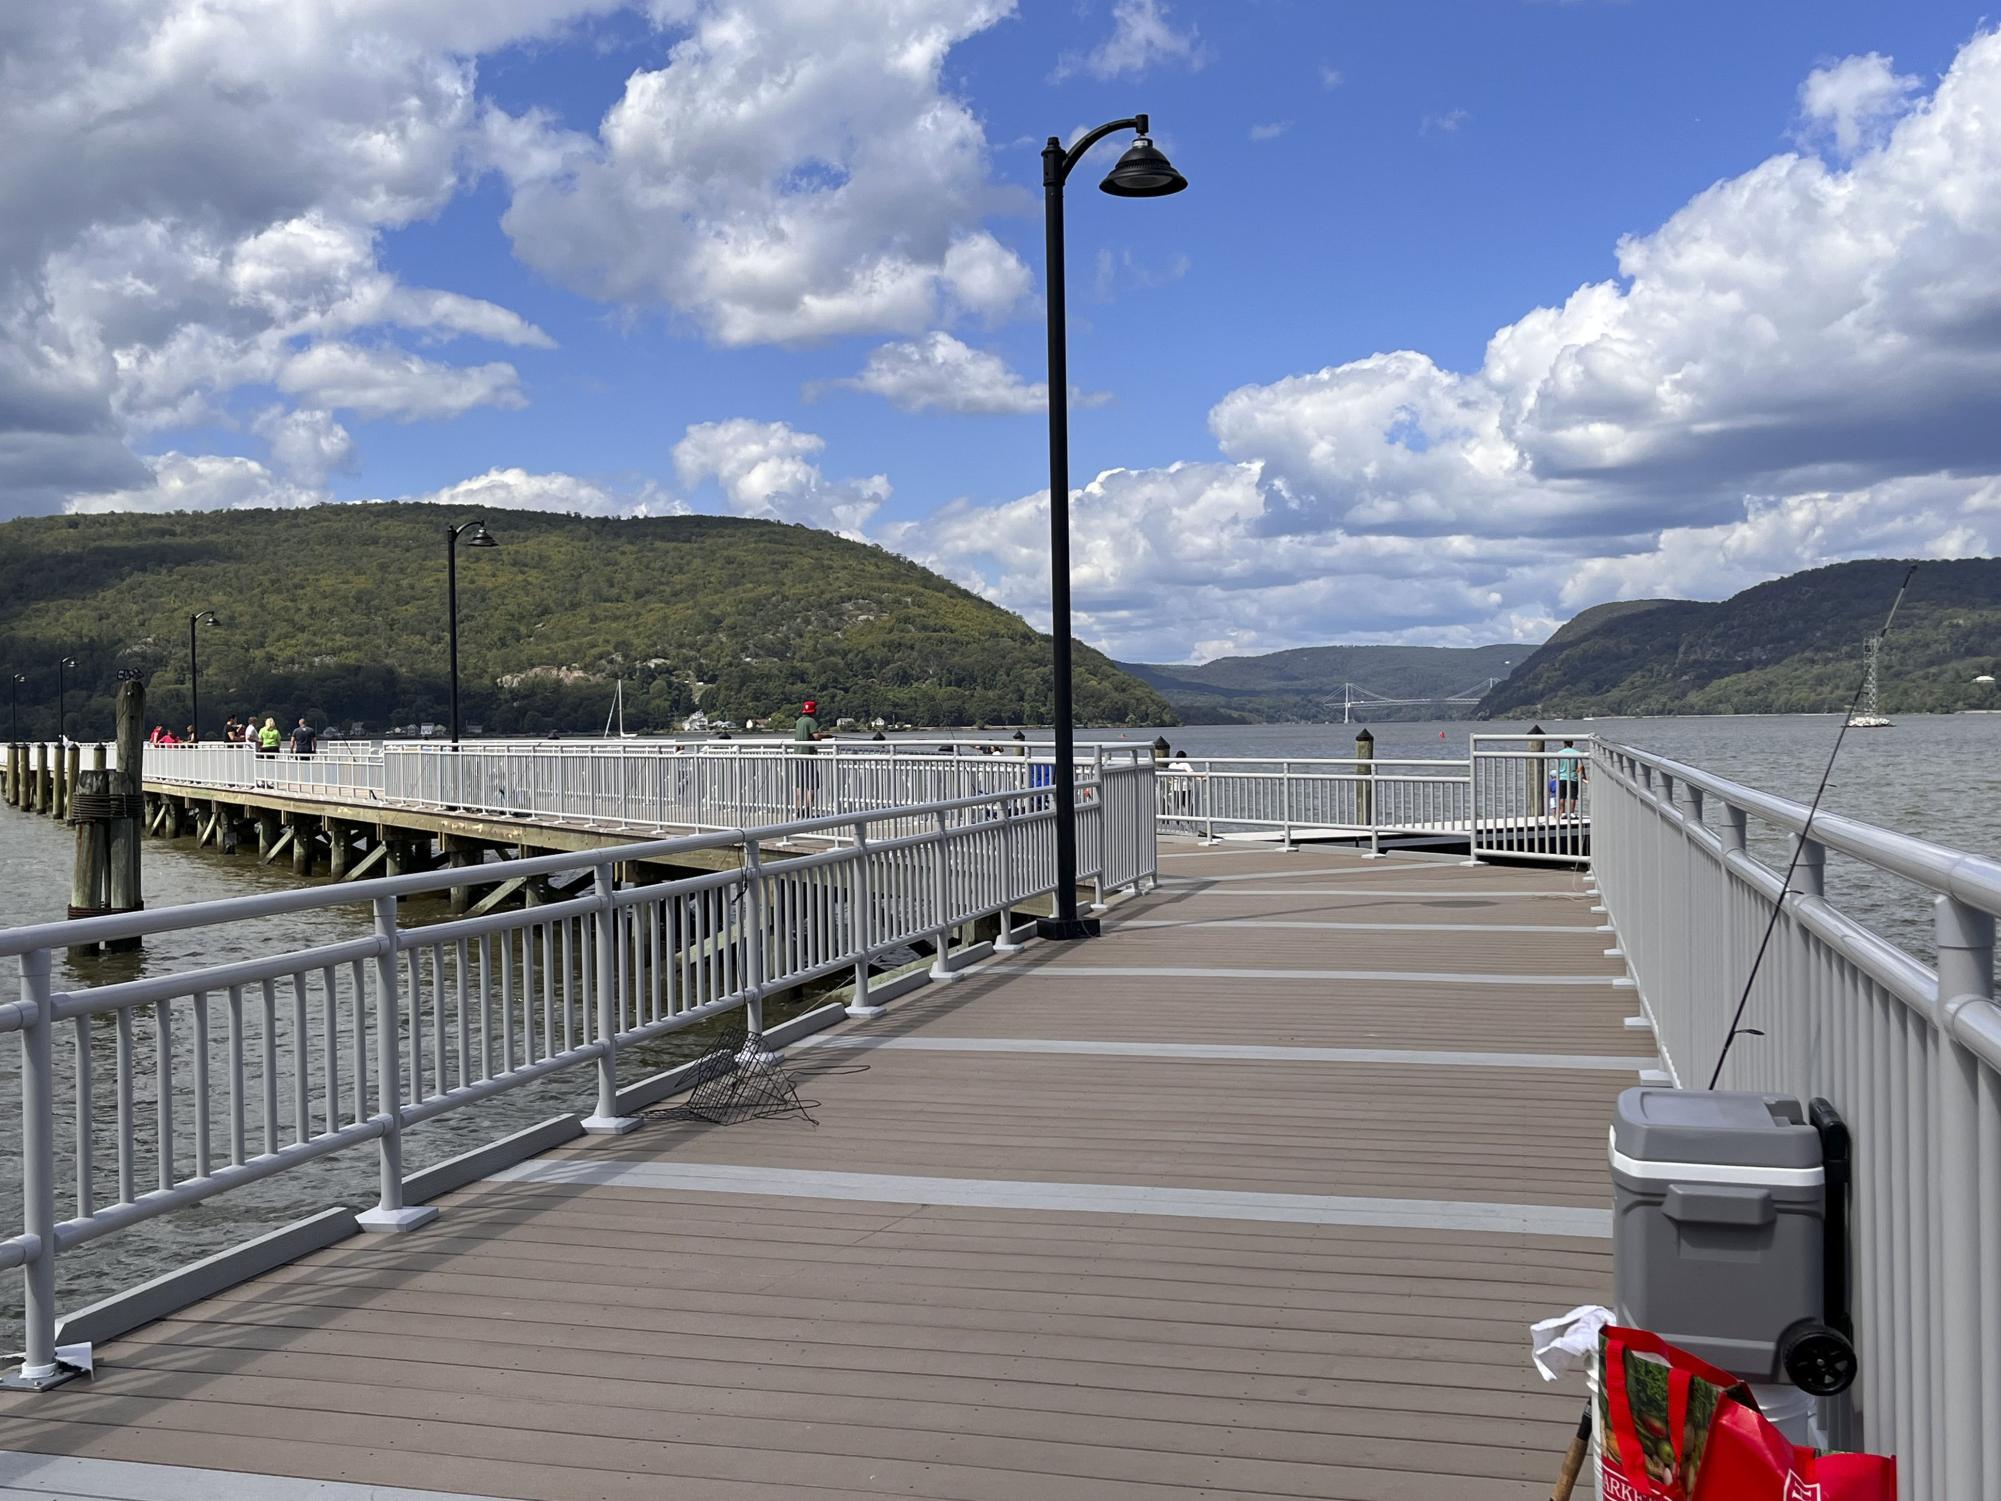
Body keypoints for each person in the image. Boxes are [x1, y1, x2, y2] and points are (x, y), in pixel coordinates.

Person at [792, 697, 826, 812]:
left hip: (797, 756)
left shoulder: (799, 721)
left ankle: (797, 810)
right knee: (812, 784)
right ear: (813, 710)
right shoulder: (811, 721)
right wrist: (825, 736)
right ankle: (807, 809)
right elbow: (816, 737)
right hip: (807, 756)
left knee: (799, 785)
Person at [1555, 739, 1585, 817]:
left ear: (1564, 744)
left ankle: (1562, 812)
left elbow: (1557, 767)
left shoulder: (1559, 753)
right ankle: (1571, 813)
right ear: (1572, 744)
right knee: (1573, 796)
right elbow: (1580, 766)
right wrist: (1583, 776)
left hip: (1562, 777)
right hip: (1573, 777)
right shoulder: (1577, 753)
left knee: (1562, 796)